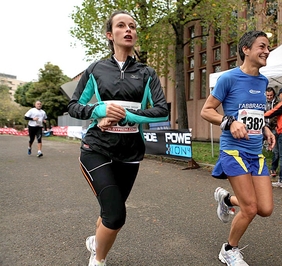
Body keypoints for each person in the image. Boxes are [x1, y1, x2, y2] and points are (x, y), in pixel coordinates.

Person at [67, 10, 169, 266]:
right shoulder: (96, 69)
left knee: (110, 210)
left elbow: (161, 110)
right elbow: (74, 106)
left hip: (130, 153)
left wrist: (128, 116)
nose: (129, 30)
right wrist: (98, 110)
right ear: (110, 35)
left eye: (132, 26)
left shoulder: (147, 73)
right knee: (116, 214)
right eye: (122, 26)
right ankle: (98, 259)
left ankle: (95, 242)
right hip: (97, 148)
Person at [201, 30, 275, 266]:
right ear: (246, 50)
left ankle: (226, 201)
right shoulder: (228, 78)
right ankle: (229, 250)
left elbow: (255, 113)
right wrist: (229, 122)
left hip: (256, 152)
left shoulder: (263, 81)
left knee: (265, 209)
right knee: (250, 208)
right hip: (234, 151)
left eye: (268, 47)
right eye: (262, 47)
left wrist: (265, 128)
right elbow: (207, 110)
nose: (267, 51)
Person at [265, 87, 279, 177]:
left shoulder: (277, 103)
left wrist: (270, 125)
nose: (269, 97)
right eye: (268, 95)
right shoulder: (262, 102)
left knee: (275, 149)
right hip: (263, 126)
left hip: (273, 127)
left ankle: (273, 168)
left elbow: (277, 115)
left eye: (271, 95)